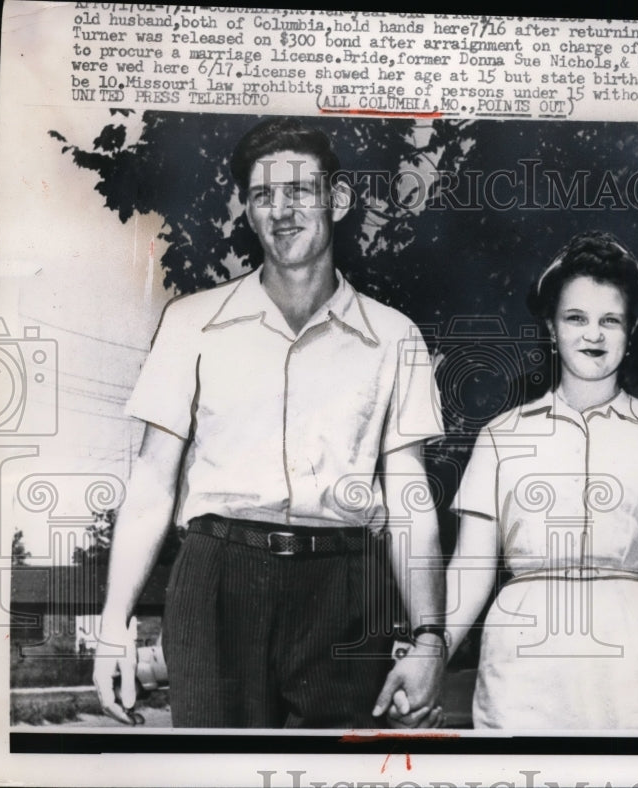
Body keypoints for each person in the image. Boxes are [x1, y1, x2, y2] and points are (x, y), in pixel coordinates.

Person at [92, 117, 448, 729]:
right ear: (248, 211)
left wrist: (430, 639)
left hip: (346, 584)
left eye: (299, 191)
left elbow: (411, 501)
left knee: (343, 769)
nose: (282, 211)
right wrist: (112, 627)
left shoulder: (395, 337)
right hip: (218, 579)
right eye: (263, 195)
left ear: (337, 199)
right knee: (214, 770)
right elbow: (151, 483)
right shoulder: (191, 322)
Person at [444, 231, 638, 729]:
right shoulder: (500, 437)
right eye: (576, 318)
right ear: (551, 328)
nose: (593, 335)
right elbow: (470, 570)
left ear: (631, 330)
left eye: (610, 321)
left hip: (636, 666)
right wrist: (429, 655)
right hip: (521, 668)